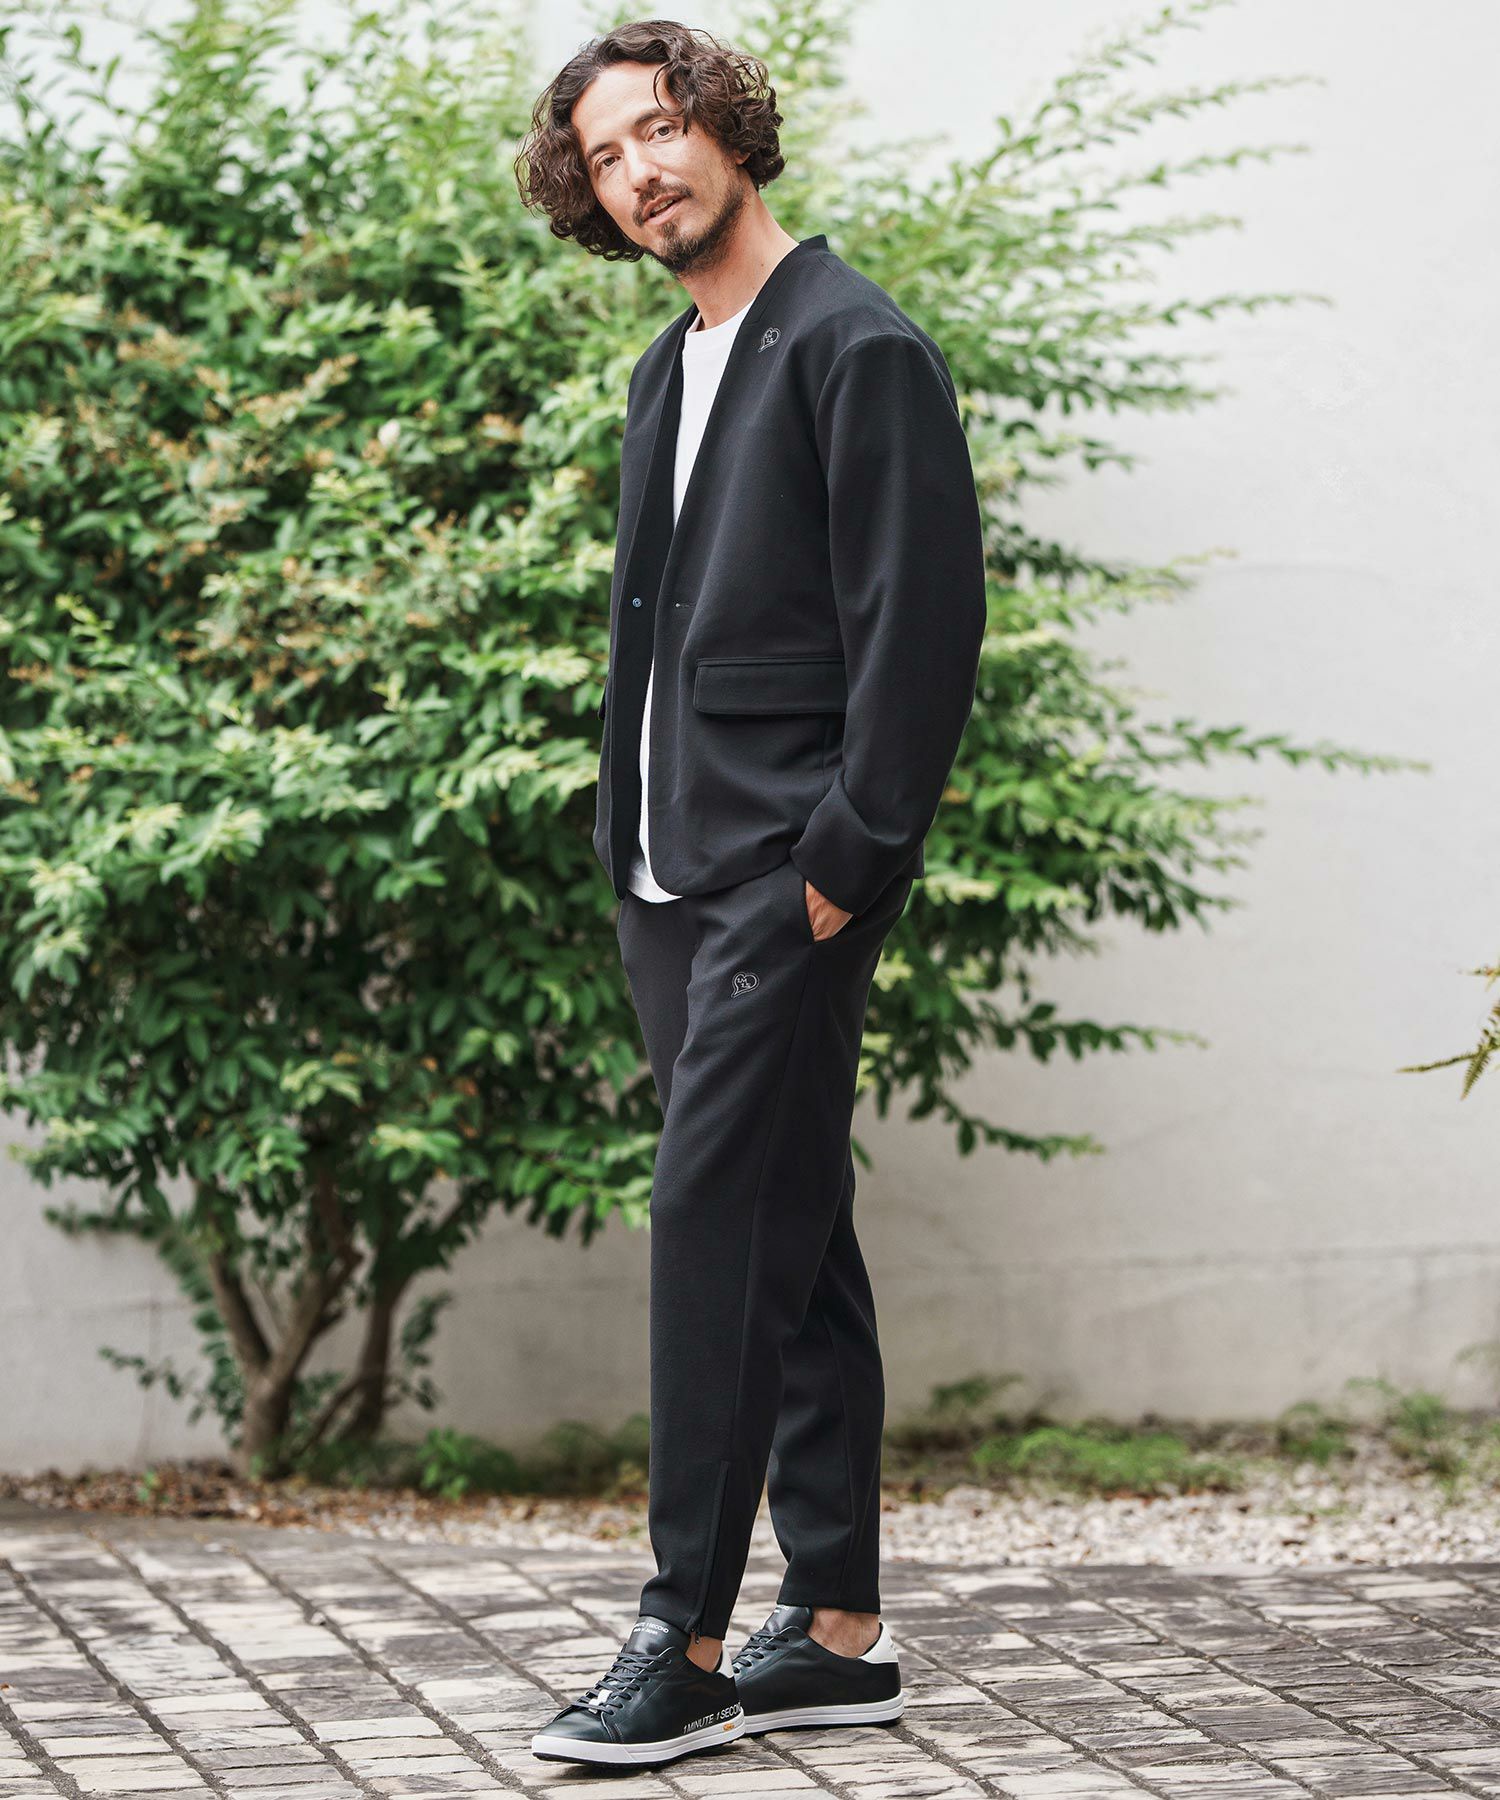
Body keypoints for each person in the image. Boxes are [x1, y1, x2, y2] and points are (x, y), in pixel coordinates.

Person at [512, 16, 987, 1769]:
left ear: (727, 126)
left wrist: (841, 866)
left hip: (780, 881)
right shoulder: (676, 365)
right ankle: (840, 1625)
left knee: (713, 1226)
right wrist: (629, 840)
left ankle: (686, 1637)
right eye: (607, 154)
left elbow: (923, 627)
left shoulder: (856, 345)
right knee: (794, 1219)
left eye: (662, 127)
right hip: (669, 875)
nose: (642, 170)